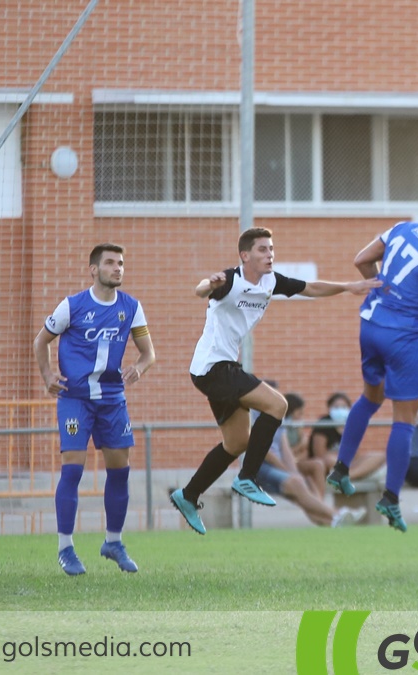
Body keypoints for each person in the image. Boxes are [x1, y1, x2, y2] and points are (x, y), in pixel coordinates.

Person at [169, 227, 379, 534]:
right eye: (262, 250)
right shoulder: (230, 280)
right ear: (245, 256)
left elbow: (312, 287)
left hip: (219, 370)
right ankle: (247, 478)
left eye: (271, 249)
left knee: (238, 441)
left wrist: (349, 286)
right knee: (277, 404)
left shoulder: (271, 281)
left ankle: (188, 495)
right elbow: (202, 289)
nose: (270, 254)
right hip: (213, 368)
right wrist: (207, 284)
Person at [327, 189, 418, 532]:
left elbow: (362, 260)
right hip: (403, 339)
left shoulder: (400, 229)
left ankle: (341, 469)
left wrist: (382, 290)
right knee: (404, 420)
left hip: (370, 325)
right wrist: (408, 305)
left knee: (370, 397)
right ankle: (391, 498)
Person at [32, 243, 155, 575]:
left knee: (120, 470)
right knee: (73, 469)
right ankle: (65, 548)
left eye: (121, 264)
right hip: (75, 399)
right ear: (94, 269)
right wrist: (47, 376)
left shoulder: (131, 307)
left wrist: (139, 369)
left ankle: (113, 542)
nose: (118, 268)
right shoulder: (72, 306)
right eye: (111, 263)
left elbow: (148, 353)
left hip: (113, 399)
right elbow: (40, 341)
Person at [248, 393, 364, 528]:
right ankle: (335, 514)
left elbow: (287, 452)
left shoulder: (280, 419)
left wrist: (293, 471)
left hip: (284, 465)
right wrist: (289, 471)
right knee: (297, 482)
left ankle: (328, 519)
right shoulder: (253, 418)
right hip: (264, 467)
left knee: (309, 475)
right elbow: (266, 452)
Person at [308, 392, 384, 494]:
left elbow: (356, 455)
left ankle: (347, 476)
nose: (340, 410)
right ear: (329, 408)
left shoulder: (351, 424)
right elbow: (320, 455)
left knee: (380, 456)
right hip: (331, 463)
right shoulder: (324, 424)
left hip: (348, 464)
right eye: (336, 407)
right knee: (330, 459)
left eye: (343, 407)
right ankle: (345, 475)